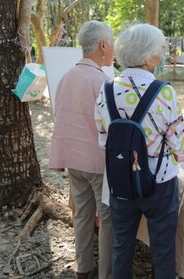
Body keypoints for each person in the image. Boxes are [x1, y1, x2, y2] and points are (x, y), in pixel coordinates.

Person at [95, 23, 184, 279]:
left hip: (120, 180)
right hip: (159, 182)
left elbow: (103, 139)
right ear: (148, 56)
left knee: (122, 245)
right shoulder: (164, 91)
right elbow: (178, 145)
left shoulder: (106, 89)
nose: (164, 53)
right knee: (163, 249)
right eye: (161, 49)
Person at [49, 20, 115, 279]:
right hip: (98, 163)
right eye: (112, 43)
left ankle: (83, 268)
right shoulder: (103, 81)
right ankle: (107, 273)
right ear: (102, 45)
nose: (113, 49)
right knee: (108, 220)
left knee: (83, 216)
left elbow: (60, 114)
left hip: (73, 160)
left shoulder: (66, 77)